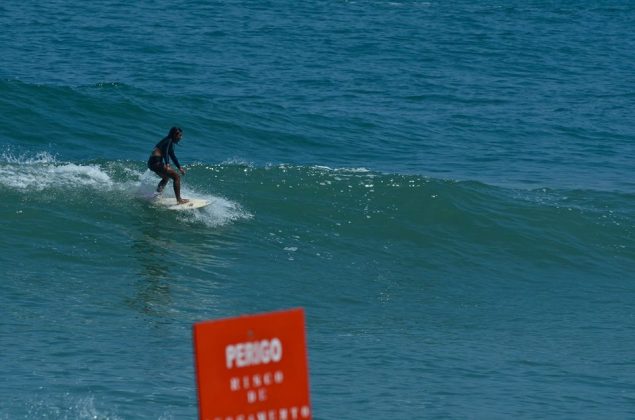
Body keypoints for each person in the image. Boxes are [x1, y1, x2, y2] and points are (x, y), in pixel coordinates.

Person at [147, 127, 189, 204]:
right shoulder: (168, 141)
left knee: (165, 178)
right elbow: (165, 152)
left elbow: (172, 155)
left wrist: (179, 167)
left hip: (152, 163)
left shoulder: (168, 141)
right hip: (156, 163)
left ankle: (156, 196)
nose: (181, 138)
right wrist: (167, 164)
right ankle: (179, 200)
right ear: (174, 135)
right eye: (180, 135)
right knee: (176, 177)